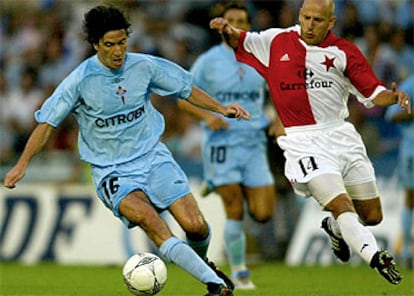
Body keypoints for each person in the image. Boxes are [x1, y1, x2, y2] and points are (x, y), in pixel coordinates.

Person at [3, 6, 252, 296]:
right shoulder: (80, 80)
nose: (118, 51)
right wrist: (22, 165)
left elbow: (186, 88)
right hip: (112, 170)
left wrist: (221, 108)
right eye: (109, 45)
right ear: (95, 45)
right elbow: (46, 125)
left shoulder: (144, 66)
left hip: (153, 157)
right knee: (151, 220)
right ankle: (215, 285)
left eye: (122, 43)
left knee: (195, 226)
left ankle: (203, 263)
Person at [210, 0, 411, 285]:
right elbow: (240, 41)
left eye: (318, 20)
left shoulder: (345, 52)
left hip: (341, 136)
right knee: (341, 205)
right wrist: (226, 30)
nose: (310, 25)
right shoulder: (275, 40)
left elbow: (373, 90)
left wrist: (393, 97)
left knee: (372, 215)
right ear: (299, 15)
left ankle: (334, 228)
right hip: (302, 140)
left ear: (331, 22)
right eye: (306, 17)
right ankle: (376, 256)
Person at [178, 2, 277, 290]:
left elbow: (281, 92)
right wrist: (208, 116)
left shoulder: (261, 56)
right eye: (230, 19)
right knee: (234, 207)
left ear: (248, 24)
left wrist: (280, 120)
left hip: (254, 143)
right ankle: (241, 272)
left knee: (263, 213)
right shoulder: (208, 61)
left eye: (240, 20)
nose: (234, 24)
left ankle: (214, 181)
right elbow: (182, 98)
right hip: (222, 142)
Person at [385, 74, 414, 269]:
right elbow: (391, 115)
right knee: (410, 199)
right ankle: (405, 252)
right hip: (412, 150)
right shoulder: (410, 85)